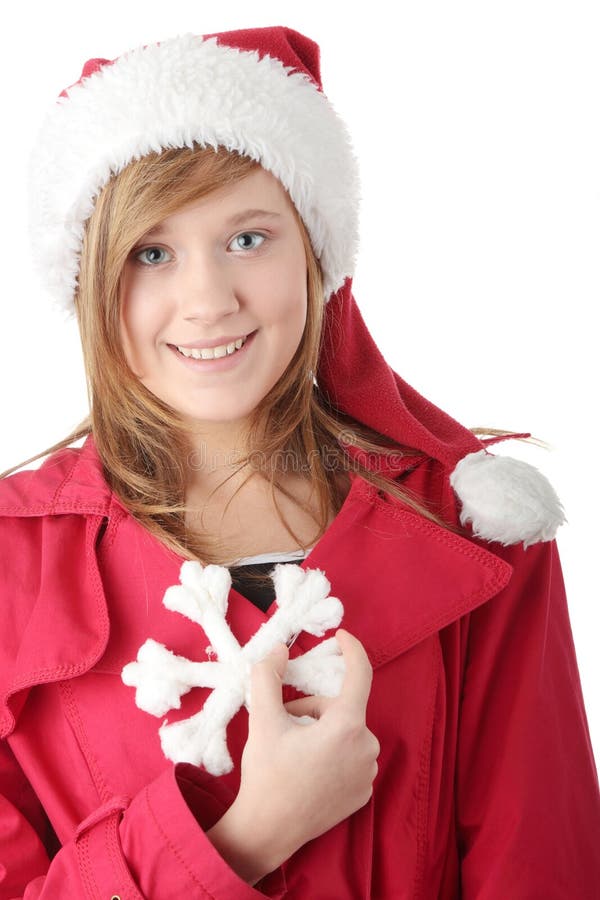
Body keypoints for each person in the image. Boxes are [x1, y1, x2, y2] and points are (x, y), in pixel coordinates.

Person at [0, 24, 598, 899]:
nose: (207, 300)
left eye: (249, 238)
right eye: (151, 253)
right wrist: (244, 838)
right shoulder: (14, 560)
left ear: (318, 253)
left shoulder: (471, 527)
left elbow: (542, 865)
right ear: (90, 281)